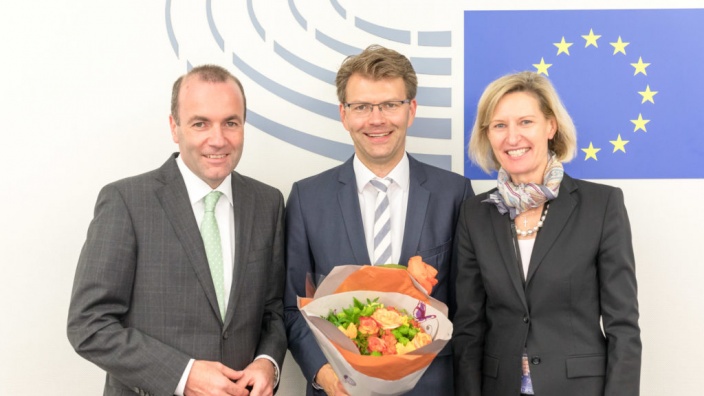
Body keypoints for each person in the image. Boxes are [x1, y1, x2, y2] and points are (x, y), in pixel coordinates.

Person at [67, 65, 286, 396]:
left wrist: (267, 362)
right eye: (201, 123)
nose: (218, 139)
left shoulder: (267, 203)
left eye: (231, 123)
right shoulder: (126, 201)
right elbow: (89, 325)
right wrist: (183, 375)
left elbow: (273, 310)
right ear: (174, 127)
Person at [284, 44, 474, 396]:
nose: (376, 119)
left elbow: (469, 311)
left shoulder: (455, 194)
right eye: (362, 107)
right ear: (344, 114)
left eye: (390, 104)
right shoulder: (307, 198)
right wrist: (325, 375)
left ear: (411, 110)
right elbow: (292, 307)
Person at [452, 71, 641, 396]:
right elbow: (469, 328)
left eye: (525, 122)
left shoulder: (602, 205)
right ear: (488, 135)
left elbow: (622, 325)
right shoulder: (475, 213)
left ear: (550, 126)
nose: (512, 138)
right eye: (499, 125)